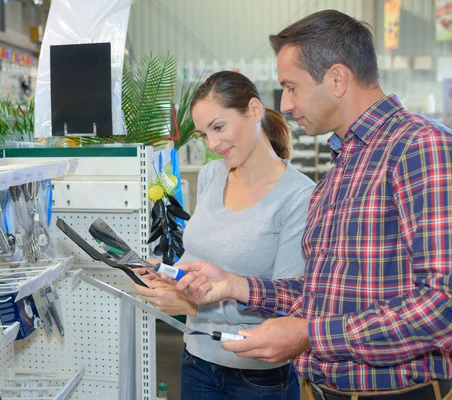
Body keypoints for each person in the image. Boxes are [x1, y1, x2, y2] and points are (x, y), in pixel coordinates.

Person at [171, 9, 452, 400]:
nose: (284, 104)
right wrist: (233, 285)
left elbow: (443, 305)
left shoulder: (419, 147)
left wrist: (307, 333)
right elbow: (319, 293)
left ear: (337, 78)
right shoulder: (340, 171)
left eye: (292, 87)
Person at [135, 70, 315, 399]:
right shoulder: (211, 175)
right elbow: (198, 262)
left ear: (255, 111)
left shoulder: (300, 197)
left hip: (257, 379)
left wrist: (191, 306)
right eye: (204, 134)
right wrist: (169, 277)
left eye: (219, 127)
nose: (213, 144)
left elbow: (291, 305)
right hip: (196, 362)